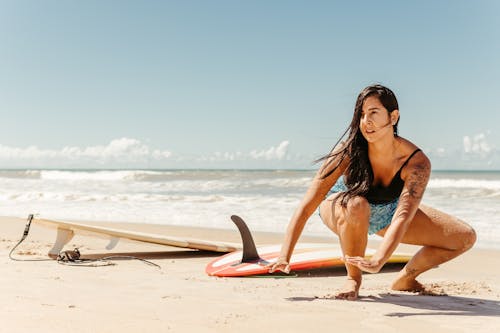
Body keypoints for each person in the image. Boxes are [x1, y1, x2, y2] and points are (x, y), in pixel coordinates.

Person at [268, 84, 476, 300]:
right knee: (358, 205)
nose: (366, 121)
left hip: (388, 211)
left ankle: (405, 278)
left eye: (374, 113)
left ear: (393, 116)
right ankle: (353, 279)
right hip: (342, 206)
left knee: (464, 237)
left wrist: (379, 259)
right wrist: (285, 255)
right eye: (362, 114)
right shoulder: (348, 151)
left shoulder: (416, 162)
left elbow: (402, 216)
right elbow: (307, 205)